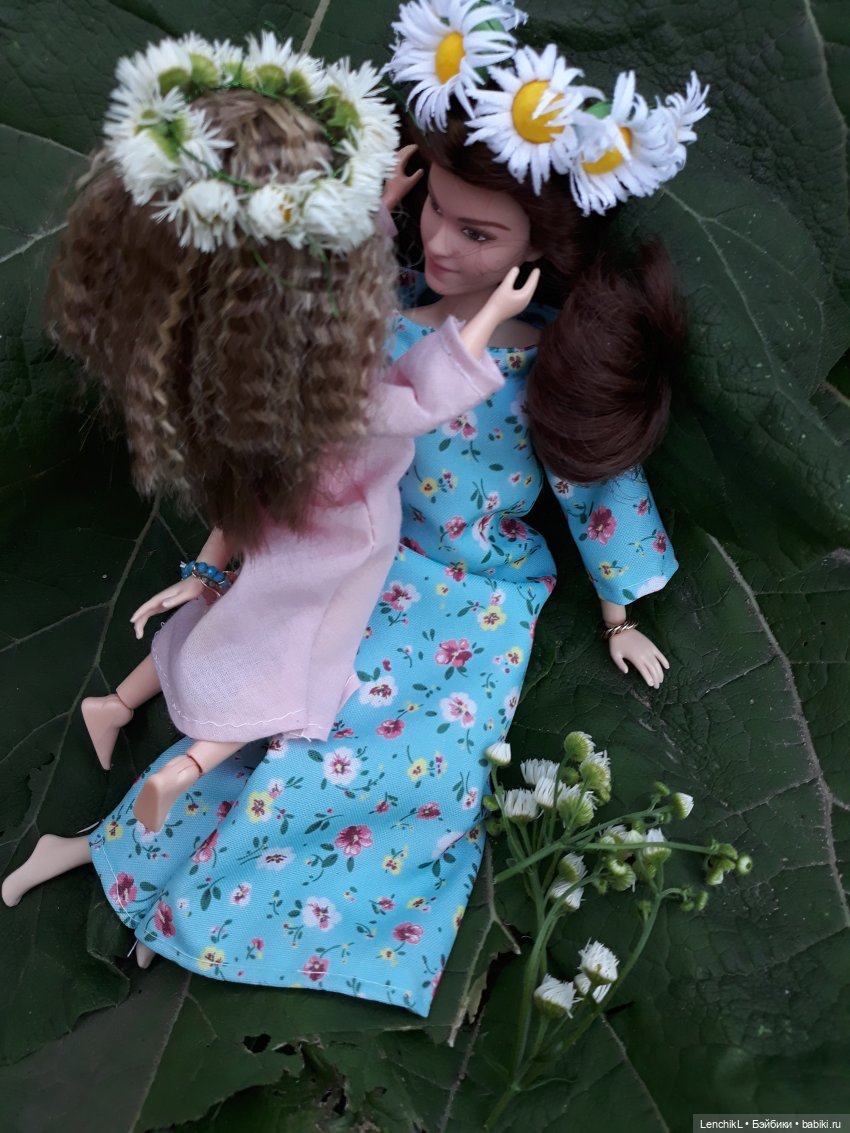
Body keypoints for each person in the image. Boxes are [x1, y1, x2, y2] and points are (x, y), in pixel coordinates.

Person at [3, 4, 705, 1018]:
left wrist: (619, 614)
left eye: (478, 232)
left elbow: (596, 488)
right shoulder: (385, 316)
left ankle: (193, 904)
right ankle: (157, 880)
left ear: (537, 250)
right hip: (349, 557)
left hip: (468, 596)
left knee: (383, 766)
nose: (442, 243)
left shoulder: (548, 368)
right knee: (267, 714)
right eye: (437, 213)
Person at [32, 32, 538, 835]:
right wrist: (492, 319)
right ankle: (184, 770)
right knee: (292, 664)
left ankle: (115, 702)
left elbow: (331, 279)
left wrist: (377, 209)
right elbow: (419, 394)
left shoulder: (259, 362)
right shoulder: (342, 390)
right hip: (343, 539)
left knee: (221, 617)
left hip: (282, 507)